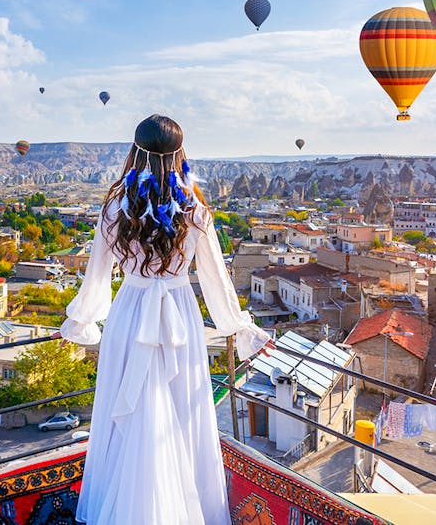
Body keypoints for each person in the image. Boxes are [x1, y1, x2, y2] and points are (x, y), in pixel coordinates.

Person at [59, 114, 275, 524]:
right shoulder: (194, 207)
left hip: (130, 314)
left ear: (135, 151)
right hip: (179, 317)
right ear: (181, 154)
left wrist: (80, 321)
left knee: (127, 412)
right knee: (183, 411)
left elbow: (97, 276)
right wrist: (239, 329)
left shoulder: (115, 205)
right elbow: (215, 280)